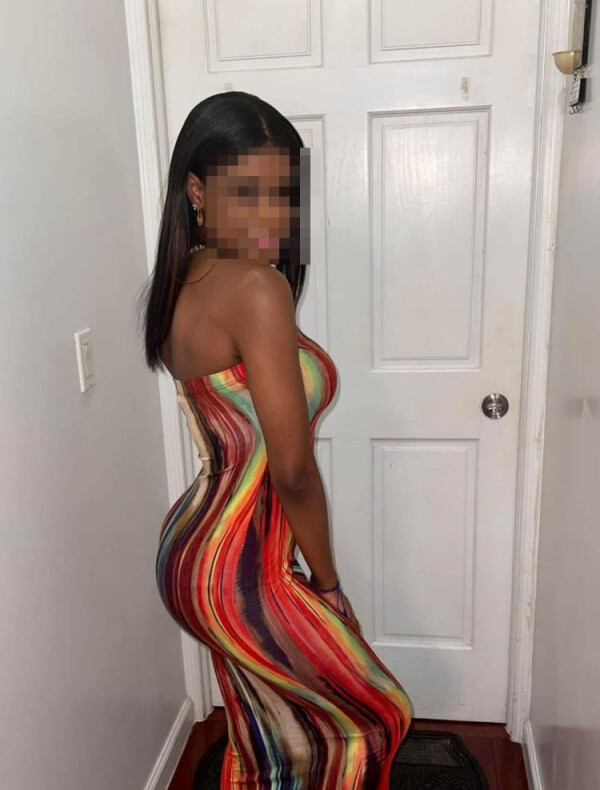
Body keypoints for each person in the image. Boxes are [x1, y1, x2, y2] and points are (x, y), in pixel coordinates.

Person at [140, 90, 413, 789]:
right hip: (238, 564)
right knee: (378, 716)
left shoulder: (185, 278)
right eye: (247, 193)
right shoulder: (257, 289)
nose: (271, 218)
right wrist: (329, 585)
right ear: (196, 192)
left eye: (283, 193)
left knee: (270, 734)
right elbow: (291, 471)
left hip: (196, 548)